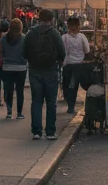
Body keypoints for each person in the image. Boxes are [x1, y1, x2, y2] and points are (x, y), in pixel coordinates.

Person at [22, 8, 65, 142]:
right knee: (51, 102)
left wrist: (32, 60)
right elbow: (62, 52)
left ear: (38, 18)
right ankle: (50, 132)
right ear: (51, 20)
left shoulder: (30, 33)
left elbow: (24, 53)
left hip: (35, 70)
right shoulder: (55, 33)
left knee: (37, 101)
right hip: (51, 70)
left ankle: (36, 131)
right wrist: (58, 61)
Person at [61, 16, 90, 114]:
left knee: (67, 85)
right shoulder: (82, 37)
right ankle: (71, 107)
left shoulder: (64, 37)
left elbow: (60, 51)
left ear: (68, 26)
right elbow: (87, 50)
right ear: (79, 26)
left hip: (67, 65)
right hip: (78, 65)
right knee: (74, 86)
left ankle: (70, 106)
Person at [0, 18, 27, 120]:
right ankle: (19, 113)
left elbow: (1, 53)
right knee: (20, 91)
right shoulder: (24, 38)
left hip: (7, 68)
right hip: (21, 68)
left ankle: (9, 111)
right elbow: (26, 52)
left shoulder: (3, 38)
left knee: (9, 90)